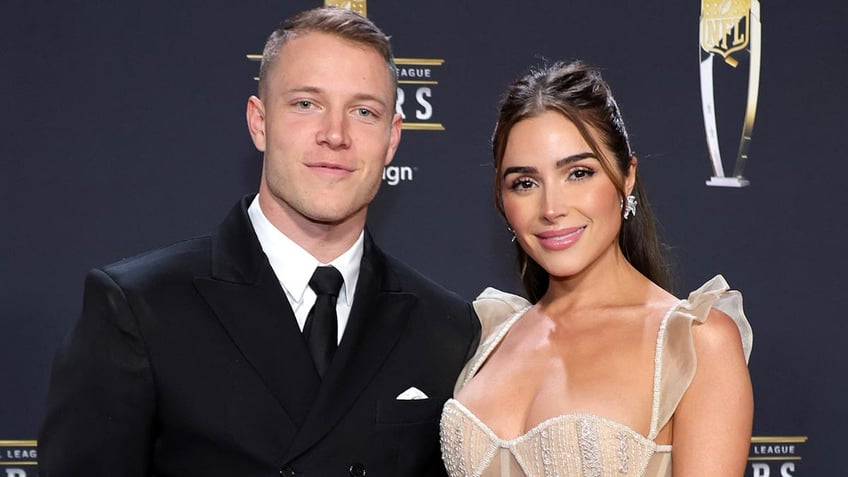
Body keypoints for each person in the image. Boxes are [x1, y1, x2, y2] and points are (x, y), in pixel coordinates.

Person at [38, 7, 479, 477]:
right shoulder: (139, 308)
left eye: (364, 111)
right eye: (306, 104)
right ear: (259, 122)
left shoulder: (445, 327)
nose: (335, 134)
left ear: (392, 140)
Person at [440, 61, 753, 476]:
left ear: (626, 178)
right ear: (502, 198)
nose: (552, 209)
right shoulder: (487, 337)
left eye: (578, 173)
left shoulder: (695, 343)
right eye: (525, 183)